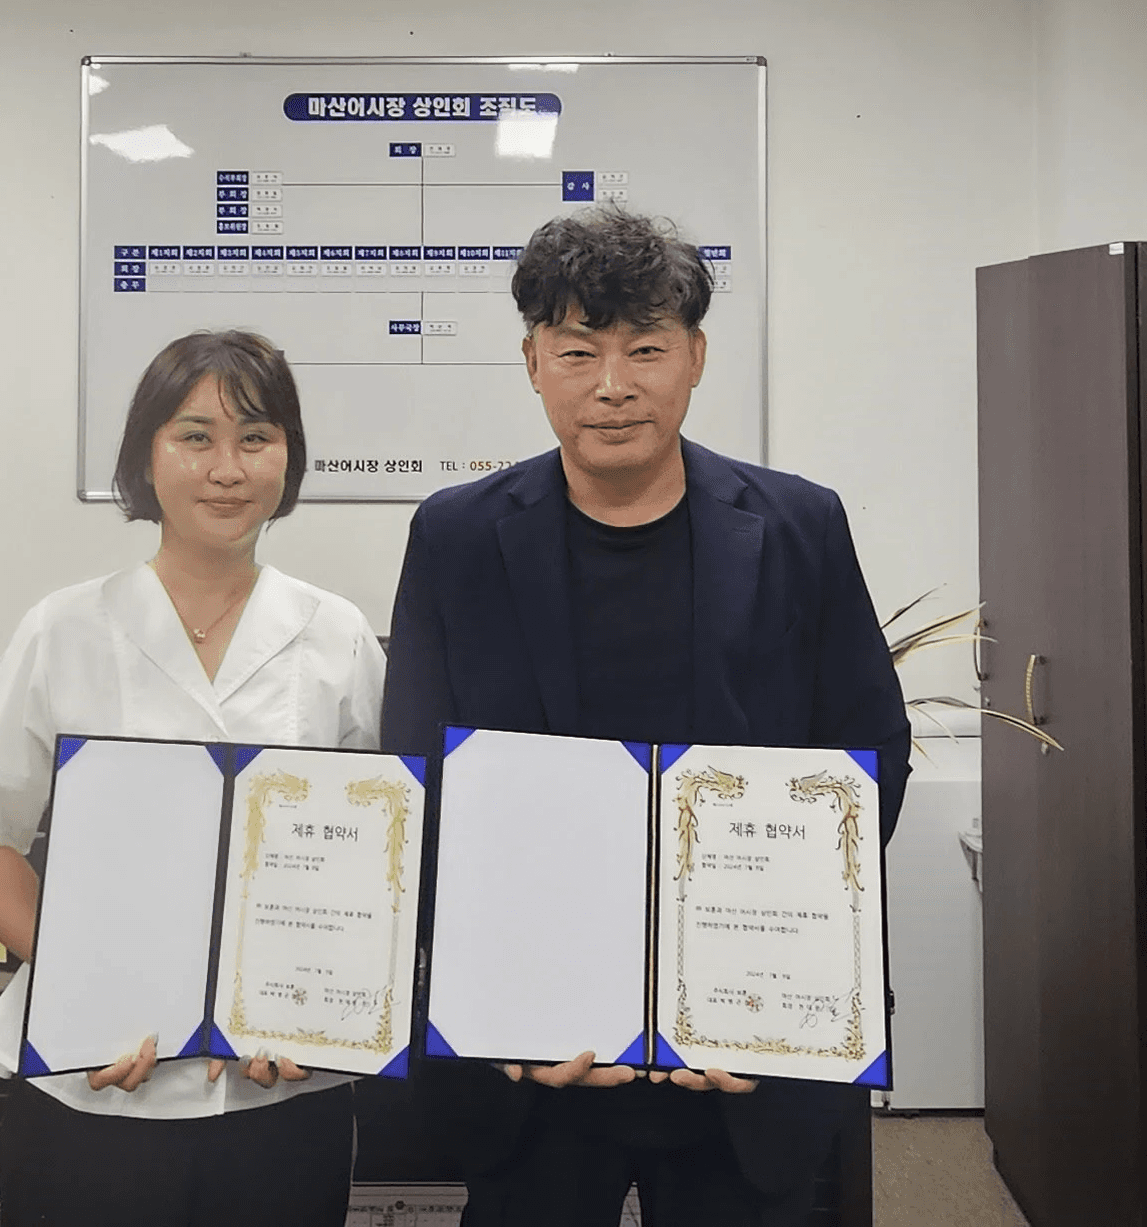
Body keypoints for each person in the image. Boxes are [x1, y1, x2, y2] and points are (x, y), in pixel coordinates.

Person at [382, 208, 911, 1226]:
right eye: (577, 351)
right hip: (535, 1055)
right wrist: (502, 999)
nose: (612, 384)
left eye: (645, 349)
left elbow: (868, 751)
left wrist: (777, 966)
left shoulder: (798, 524)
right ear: (533, 363)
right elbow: (422, 778)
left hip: (740, 1052)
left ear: (695, 357)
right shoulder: (455, 536)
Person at [0, 330, 385, 1227]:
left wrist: (316, 1008)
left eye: (256, 437)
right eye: (195, 436)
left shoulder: (337, 635)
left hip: (281, 1088)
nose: (227, 467)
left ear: (287, 456)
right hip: (93, 1083)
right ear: (146, 454)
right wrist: (87, 990)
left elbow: (372, 865)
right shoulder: (63, 629)